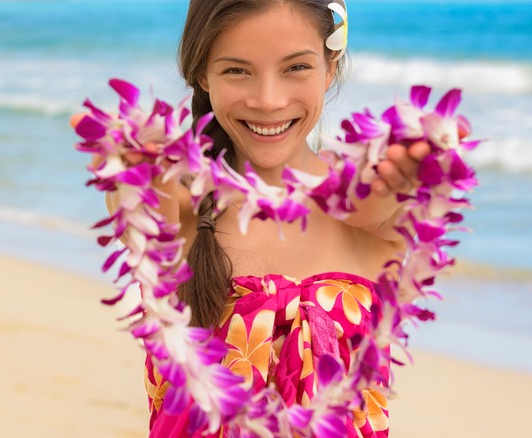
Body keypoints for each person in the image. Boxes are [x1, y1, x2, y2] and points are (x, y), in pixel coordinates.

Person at [98, 0, 431, 436]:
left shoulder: (370, 213)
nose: (269, 100)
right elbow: (144, 207)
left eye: (296, 67)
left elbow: (388, 214)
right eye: (237, 70)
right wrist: (133, 170)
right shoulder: (181, 208)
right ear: (202, 74)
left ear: (330, 67)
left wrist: (388, 196)